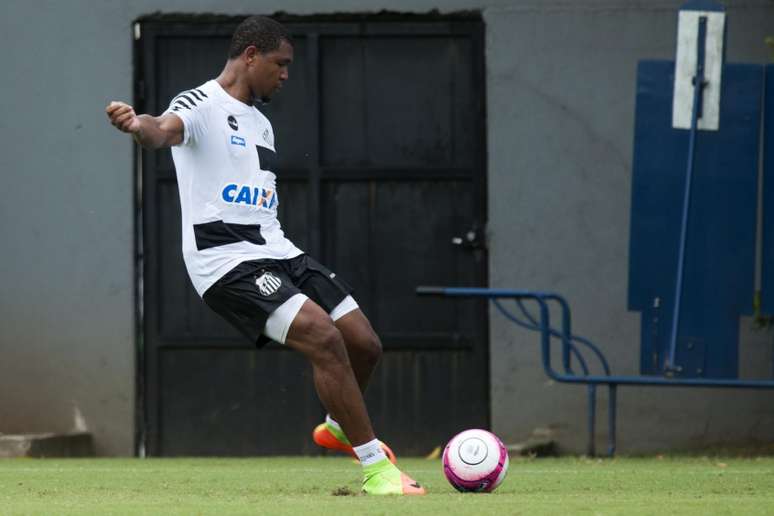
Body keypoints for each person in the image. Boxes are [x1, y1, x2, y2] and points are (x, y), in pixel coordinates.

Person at [106, 15, 424, 496]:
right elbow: (160, 130)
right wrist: (136, 126)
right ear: (251, 56)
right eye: (281, 63)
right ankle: (377, 470)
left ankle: (338, 425)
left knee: (364, 343)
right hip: (225, 260)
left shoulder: (262, 123)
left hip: (277, 249)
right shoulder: (198, 102)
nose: (286, 74)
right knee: (323, 336)